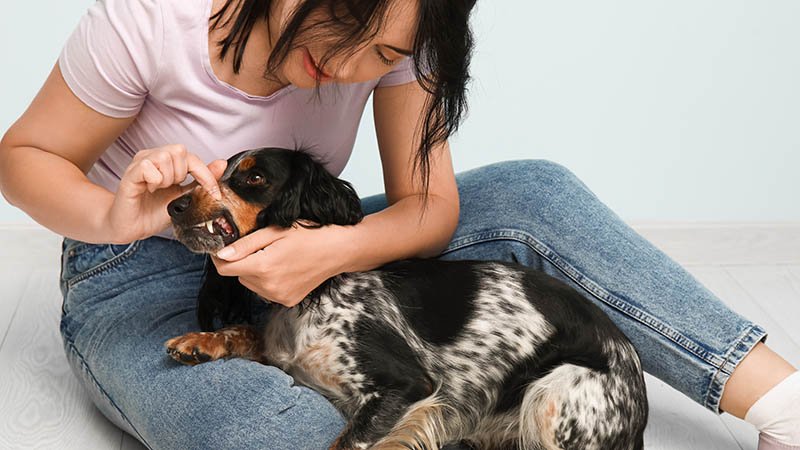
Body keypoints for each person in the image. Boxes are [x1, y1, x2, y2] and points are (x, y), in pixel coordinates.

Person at [0, 0, 797, 448]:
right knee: (269, 429)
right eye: (351, 27)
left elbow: (429, 206)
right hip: (140, 271)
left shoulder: (406, 31)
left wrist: (332, 251)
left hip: (317, 259)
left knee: (533, 192)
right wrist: (114, 213)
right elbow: (24, 157)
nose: (353, 69)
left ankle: (782, 404)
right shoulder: (150, 18)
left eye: (384, 55)